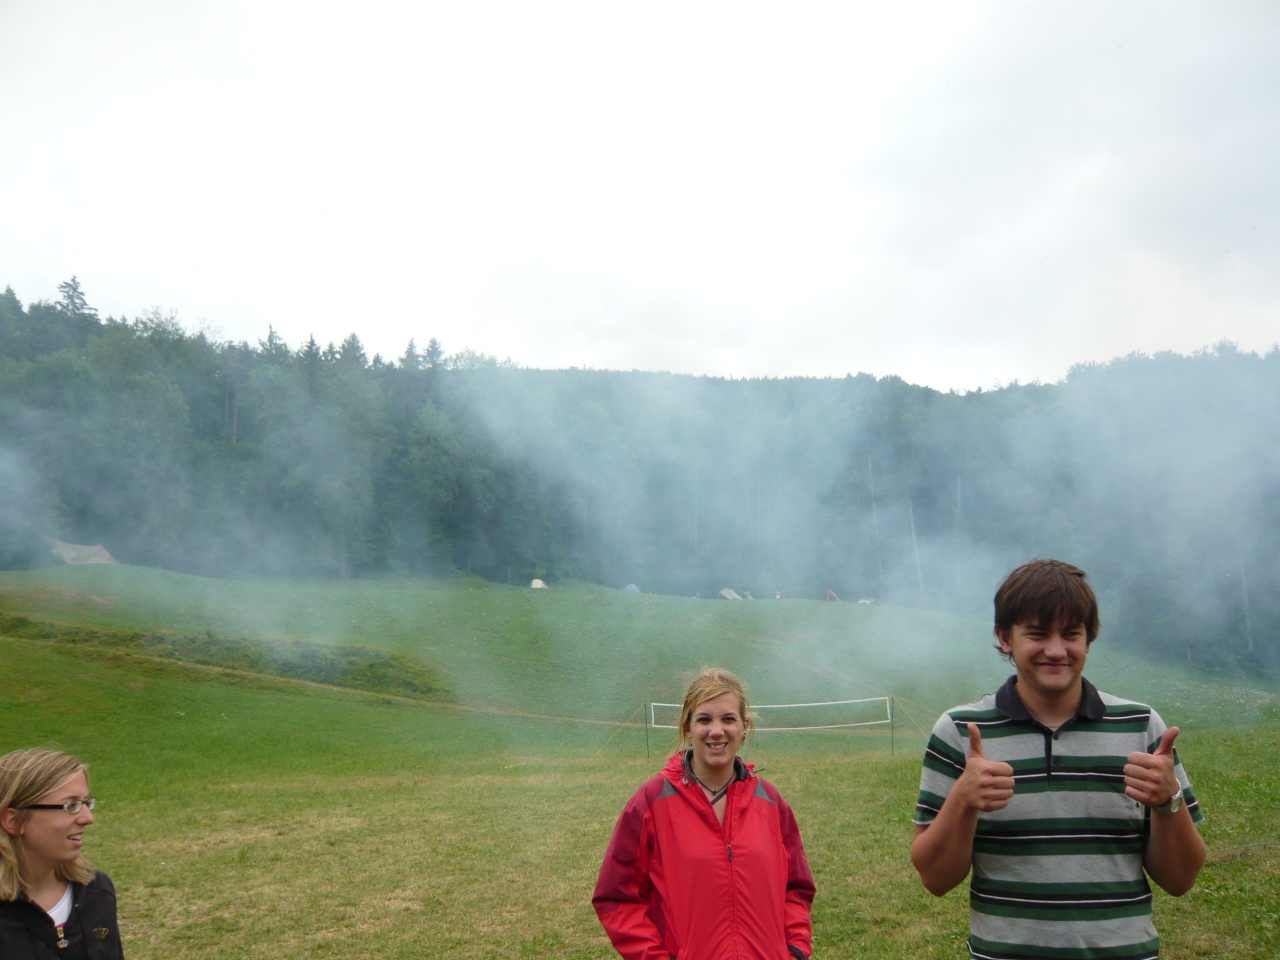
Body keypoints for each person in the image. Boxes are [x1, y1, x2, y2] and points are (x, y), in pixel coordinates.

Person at [911, 559, 1206, 960]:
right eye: (1037, 634)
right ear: (1004, 638)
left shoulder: (1142, 727)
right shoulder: (960, 731)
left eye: (1071, 634)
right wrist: (962, 801)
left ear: (1088, 641)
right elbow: (935, 879)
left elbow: (1180, 879)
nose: (1055, 651)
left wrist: (1169, 801)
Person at [593, 668, 815, 960]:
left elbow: (796, 889)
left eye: (728, 719)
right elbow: (617, 897)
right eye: (704, 719)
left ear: (744, 726)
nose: (716, 730)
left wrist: (794, 950)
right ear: (687, 727)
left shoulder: (770, 802)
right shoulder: (653, 800)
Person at [0, 748, 124, 959]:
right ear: (13, 820)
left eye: (86, 803)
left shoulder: (96, 892)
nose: (88, 818)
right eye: (71, 805)